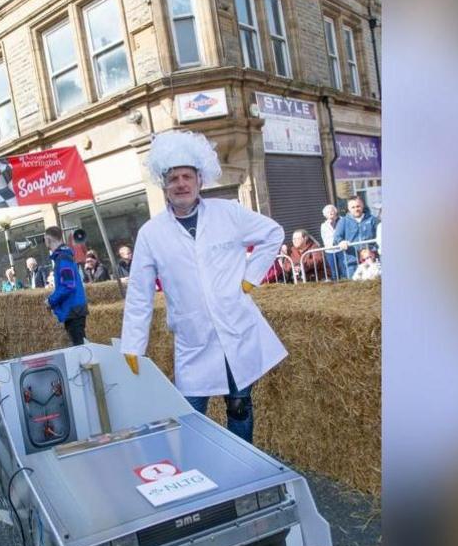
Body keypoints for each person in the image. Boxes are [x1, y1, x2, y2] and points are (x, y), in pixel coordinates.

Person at [120, 129, 286, 444]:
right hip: (193, 340)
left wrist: (251, 277)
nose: (181, 183)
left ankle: (243, 467)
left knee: (239, 407)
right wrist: (132, 344)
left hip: (236, 330)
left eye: (187, 176)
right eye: (173, 178)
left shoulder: (228, 213)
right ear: (164, 185)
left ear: (200, 180)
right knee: (190, 416)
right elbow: (140, 294)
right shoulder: (151, 233)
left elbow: (273, 233)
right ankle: (201, 471)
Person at [44, 226, 90, 345]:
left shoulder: (63, 258)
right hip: (74, 308)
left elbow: (68, 285)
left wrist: (51, 301)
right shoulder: (64, 256)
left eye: (45, 239)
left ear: (48, 239)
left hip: (73, 309)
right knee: (80, 346)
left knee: (80, 348)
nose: (45, 243)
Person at [335, 194, 380, 278]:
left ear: (362, 205)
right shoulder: (343, 221)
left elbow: (380, 236)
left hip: (370, 259)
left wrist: (374, 250)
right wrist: (341, 241)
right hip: (352, 261)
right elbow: (337, 237)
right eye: (353, 207)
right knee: (355, 288)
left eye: (358, 206)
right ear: (348, 208)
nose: (356, 209)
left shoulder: (372, 219)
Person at [319, 204, 342, 280]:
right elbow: (324, 238)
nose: (331, 212)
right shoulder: (323, 225)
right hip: (330, 250)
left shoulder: (342, 221)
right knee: (334, 271)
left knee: (343, 268)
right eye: (328, 212)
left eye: (332, 210)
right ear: (325, 215)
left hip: (341, 249)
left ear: (335, 211)